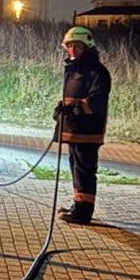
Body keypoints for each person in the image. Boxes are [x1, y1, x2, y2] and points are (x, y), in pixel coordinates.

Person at [53, 25, 110, 225]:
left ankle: (84, 212)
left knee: (85, 170)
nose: (72, 50)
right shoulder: (74, 71)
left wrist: (74, 108)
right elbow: (71, 98)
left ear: (87, 47)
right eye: (69, 46)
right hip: (74, 130)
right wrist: (62, 109)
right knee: (76, 168)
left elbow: (96, 102)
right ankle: (77, 205)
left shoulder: (97, 72)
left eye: (77, 46)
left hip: (88, 131)